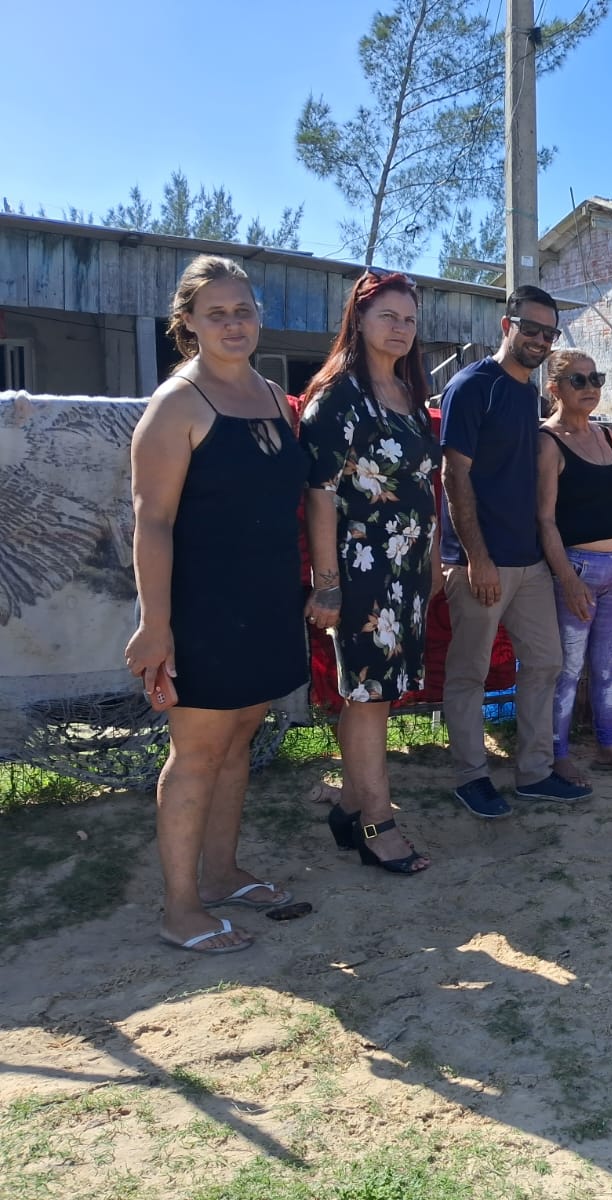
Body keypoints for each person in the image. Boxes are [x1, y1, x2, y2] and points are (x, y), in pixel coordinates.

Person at [126, 255, 307, 954]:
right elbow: (154, 521)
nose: (234, 324)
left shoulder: (269, 392)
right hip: (201, 609)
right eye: (217, 313)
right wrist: (154, 625)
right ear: (189, 325)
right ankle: (179, 908)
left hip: (264, 603)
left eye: (244, 311)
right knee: (196, 755)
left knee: (238, 745)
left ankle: (224, 871)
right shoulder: (177, 405)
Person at [300, 269, 438, 874]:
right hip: (360, 572)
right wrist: (326, 584)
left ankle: (351, 805)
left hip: (406, 574)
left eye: (409, 319)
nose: (400, 328)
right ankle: (376, 823)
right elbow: (321, 495)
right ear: (357, 319)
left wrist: (431, 567)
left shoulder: (408, 395)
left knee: (380, 695)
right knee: (366, 696)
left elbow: (421, 486)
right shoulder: (338, 396)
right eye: (388, 316)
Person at [439, 284, 591, 818]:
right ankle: (471, 777)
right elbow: (454, 473)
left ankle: (533, 773)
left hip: (528, 561)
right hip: (481, 560)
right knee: (469, 674)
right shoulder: (470, 386)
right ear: (507, 326)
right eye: (531, 329)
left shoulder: (528, 392)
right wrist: (475, 557)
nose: (540, 340)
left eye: (549, 333)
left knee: (546, 662)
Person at [535, 347, 612, 783]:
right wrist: (566, 578)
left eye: (595, 378)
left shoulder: (605, 436)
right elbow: (543, 518)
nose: (590, 388)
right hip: (577, 570)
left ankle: (608, 745)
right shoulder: (546, 442)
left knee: (610, 664)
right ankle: (557, 753)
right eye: (577, 380)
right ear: (555, 388)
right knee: (566, 668)